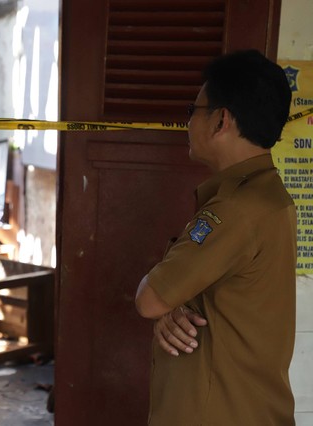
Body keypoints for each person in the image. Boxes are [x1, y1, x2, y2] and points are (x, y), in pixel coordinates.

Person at [135, 49, 296, 425]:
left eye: (194, 111)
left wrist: (164, 300)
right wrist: (172, 305)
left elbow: (149, 300)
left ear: (221, 120)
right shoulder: (269, 195)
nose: (188, 122)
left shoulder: (233, 210)